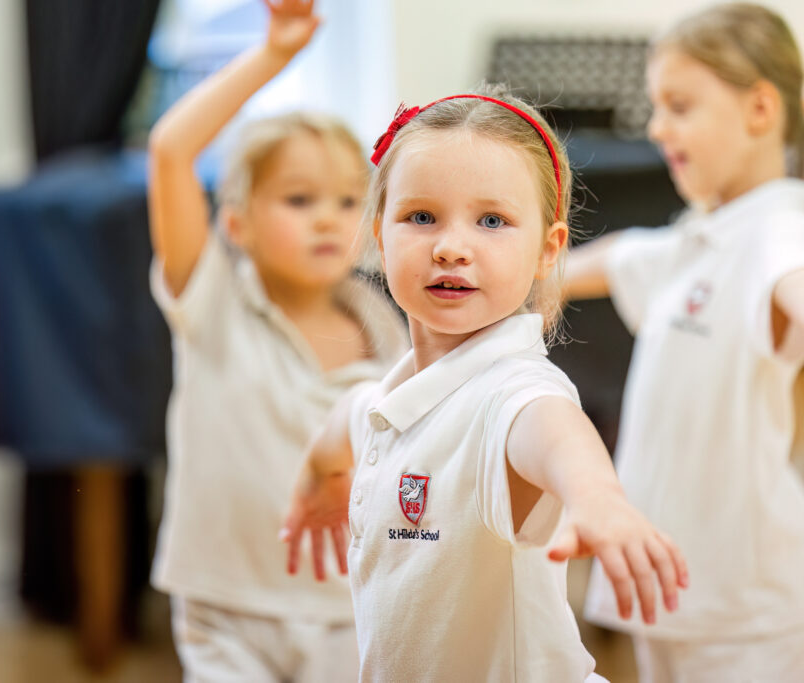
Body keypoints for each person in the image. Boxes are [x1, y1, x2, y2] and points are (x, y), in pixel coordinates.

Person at [281, 87, 689, 681]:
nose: (451, 247)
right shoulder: (384, 400)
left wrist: (598, 498)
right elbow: (346, 419)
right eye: (421, 217)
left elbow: (554, 431)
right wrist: (318, 477)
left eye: (492, 221)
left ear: (548, 250)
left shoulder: (513, 394)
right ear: (379, 235)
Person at [146, 1, 408, 680]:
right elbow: (171, 151)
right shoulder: (213, 305)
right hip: (225, 607)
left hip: (351, 605)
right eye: (299, 200)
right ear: (237, 224)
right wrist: (274, 55)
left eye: (349, 201)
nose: (328, 218)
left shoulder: (386, 326)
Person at [562, 4, 804, 680]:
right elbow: (618, 256)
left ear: (760, 108)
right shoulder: (697, 239)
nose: (657, 127)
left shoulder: (779, 230)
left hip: (744, 614)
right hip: (674, 592)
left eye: (679, 104)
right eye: (655, 106)